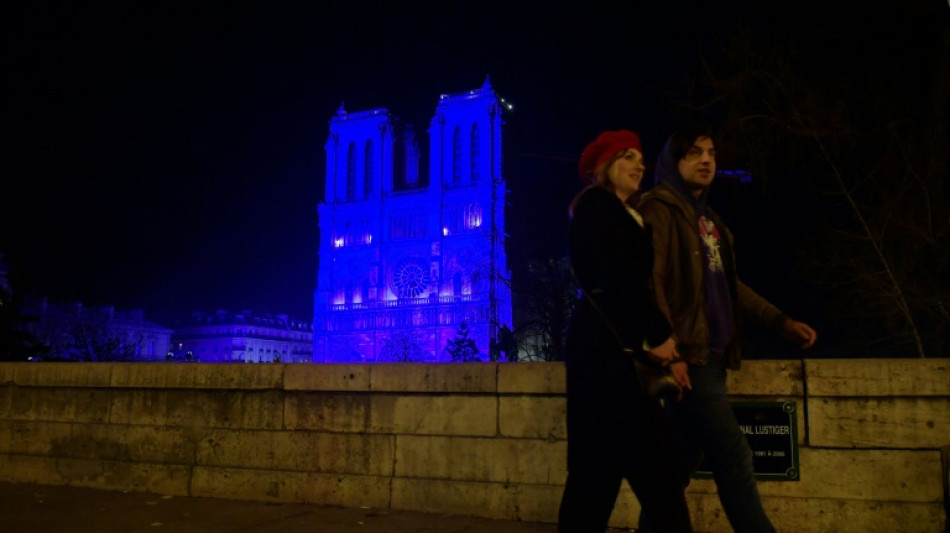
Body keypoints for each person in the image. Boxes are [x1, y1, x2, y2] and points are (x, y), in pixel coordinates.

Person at [637, 123, 817, 533]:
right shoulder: (659, 209)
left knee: (675, 467)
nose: (706, 160)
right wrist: (671, 351)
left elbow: (729, 285)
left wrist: (780, 321)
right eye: (695, 152)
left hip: (714, 357)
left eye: (712, 153)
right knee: (734, 455)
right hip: (690, 358)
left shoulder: (711, 222)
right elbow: (653, 282)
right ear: (674, 161)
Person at [558, 129, 693, 533]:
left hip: (612, 349)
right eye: (628, 157)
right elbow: (622, 281)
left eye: (641, 158)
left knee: (608, 473)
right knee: (618, 472)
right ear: (605, 166)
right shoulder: (599, 207)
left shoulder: (618, 211)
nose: (639, 165)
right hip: (607, 352)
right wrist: (661, 338)